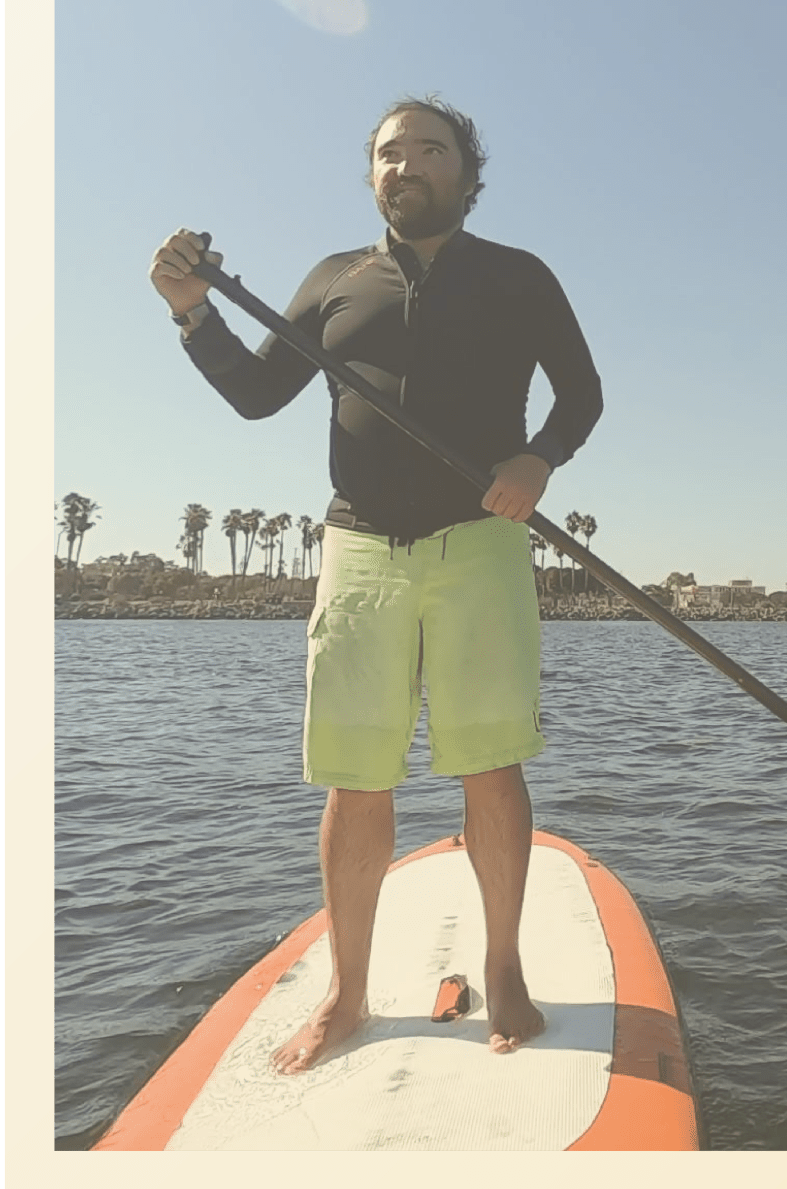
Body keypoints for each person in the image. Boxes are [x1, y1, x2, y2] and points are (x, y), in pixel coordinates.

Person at [148, 97, 602, 1073]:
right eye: (389, 152)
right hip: (356, 553)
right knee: (357, 782)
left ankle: (505, 965)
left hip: (481, 543)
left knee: (491, 766)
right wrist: (194, 312)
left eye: (427, 149)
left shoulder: (517, 276)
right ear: (372, 177)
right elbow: (257, 394)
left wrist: (538, 457)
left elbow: (581, 391)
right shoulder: (331, 278)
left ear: (465, 173)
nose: (406, 163)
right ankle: (347, 995)